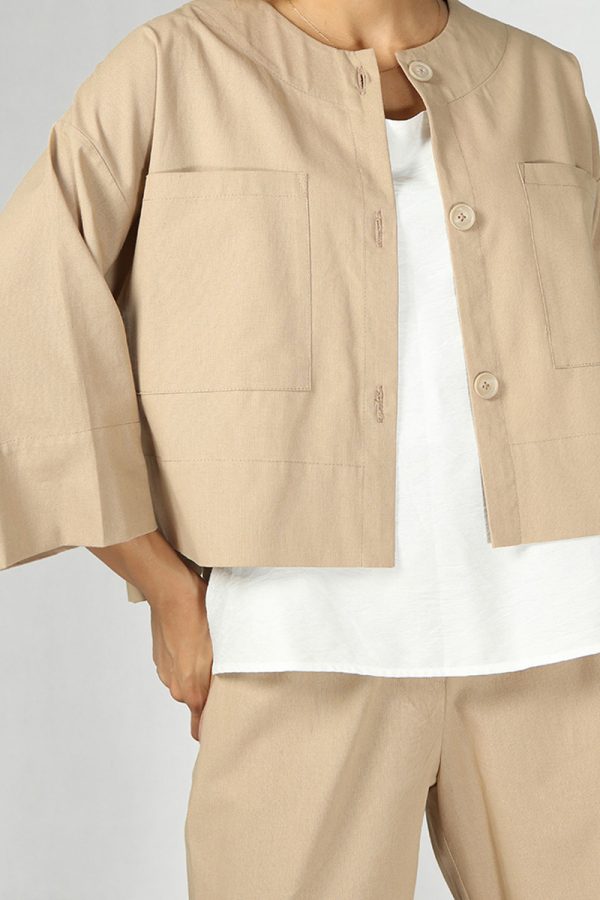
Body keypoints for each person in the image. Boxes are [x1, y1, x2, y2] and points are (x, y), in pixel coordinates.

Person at [2, 0, 600, 896]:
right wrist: (163, 582)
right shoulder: (174, 66)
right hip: (297, 643)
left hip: (564, 638)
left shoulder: (542, 78)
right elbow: (29, 307)